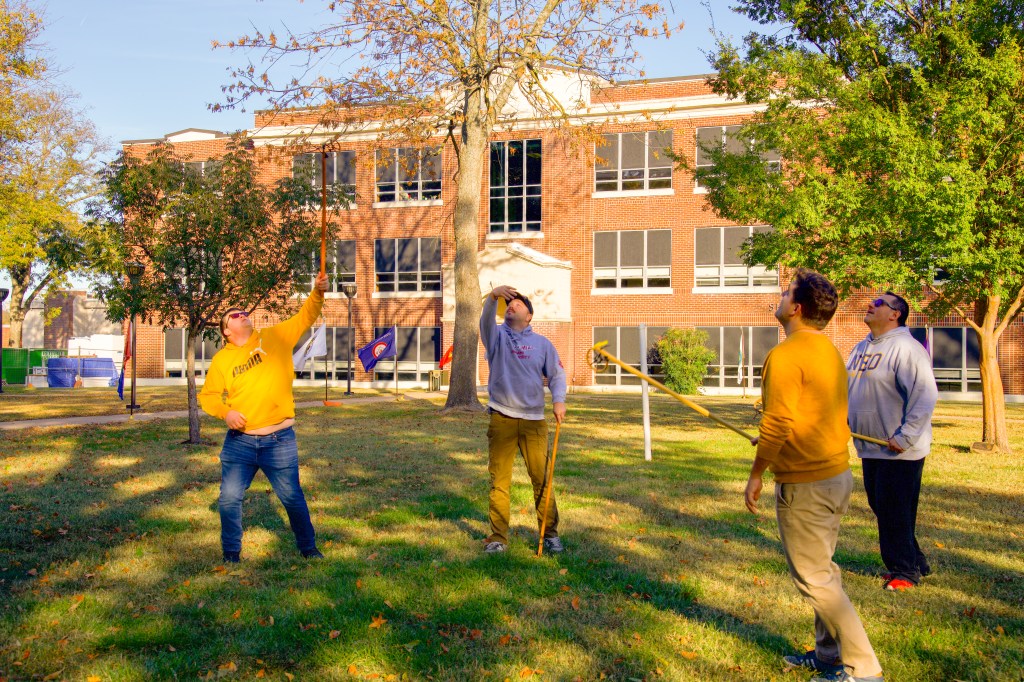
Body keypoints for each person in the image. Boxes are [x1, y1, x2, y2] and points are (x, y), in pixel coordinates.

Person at [745, 269, 884, 682]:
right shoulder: (828, 350)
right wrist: (776, 446)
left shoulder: (786, 355)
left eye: (786, 292)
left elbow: (776, 423)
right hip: (834, 477)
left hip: (806, 485)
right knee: (823, 570)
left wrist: (757, 472)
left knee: (815, 579)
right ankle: (828, 656)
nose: (781, 297)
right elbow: (809, 417)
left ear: (797, 308)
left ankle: (863, 669)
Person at [199, 273, 329, 563]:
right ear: (226, 331)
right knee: (229, 498)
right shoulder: (222, 359)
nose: (242, 313)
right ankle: (231, 554)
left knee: (292, 497)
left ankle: (308, 548)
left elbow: (306, 315)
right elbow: (207, 397)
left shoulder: (275, 337)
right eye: (234, 314)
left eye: (244, 312)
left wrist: (317, 292)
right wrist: (226, 412)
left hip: (279, 440)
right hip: (239, 443)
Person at [847, 292, 937, 591]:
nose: (870, 305)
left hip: (899, 449)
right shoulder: (861, 348)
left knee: (893, 510)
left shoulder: (907, 348)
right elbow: (849, 391)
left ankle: (904, 572)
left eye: (878, 303)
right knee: (884, 507)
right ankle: (916, 561)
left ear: (895, 314)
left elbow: (924, 396)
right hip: (870, 445)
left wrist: (906, 436)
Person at [480, 285, 567, 554]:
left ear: (529, 316)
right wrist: (493, 296)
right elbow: (485, 320)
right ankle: (498, 538)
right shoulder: (496, 337)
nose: (511, 306)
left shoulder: (542, 344)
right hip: (501, 417)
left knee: (542, 479)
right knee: (499, 481)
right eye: (508, 304)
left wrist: (558, 400)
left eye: (517, 304)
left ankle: (549, 534)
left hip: (533, 421)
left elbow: (557, 374)